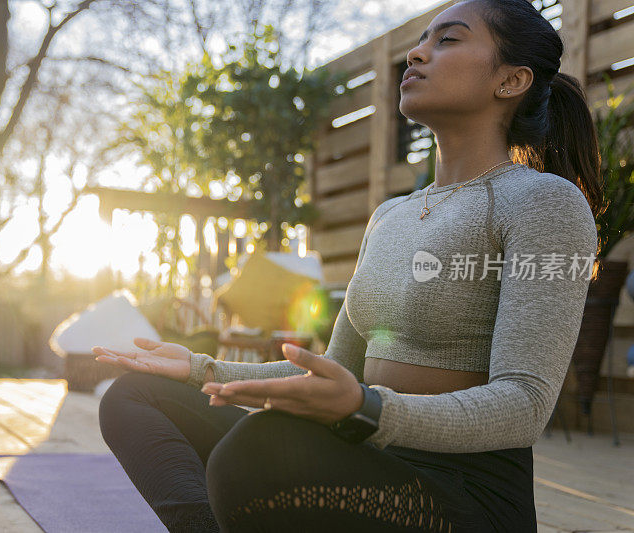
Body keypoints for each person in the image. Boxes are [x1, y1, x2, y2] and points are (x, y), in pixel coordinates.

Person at [95, 0, 602, 531]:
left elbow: (524, 405)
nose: (417, 53)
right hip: (364, 448)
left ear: (512, 80)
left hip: (462, 493)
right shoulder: (391, 214)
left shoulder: (544, 203)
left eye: (447, 40)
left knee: (261, 450)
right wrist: (203, 369)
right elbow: (334, 372)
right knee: (136, 395)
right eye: (422, 39)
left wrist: (366, 409)